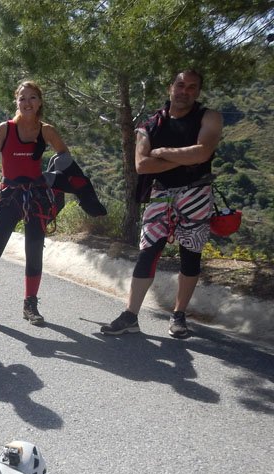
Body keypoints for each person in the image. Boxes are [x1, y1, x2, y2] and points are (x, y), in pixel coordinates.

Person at [101, 69, 223, 338]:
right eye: (180, 85)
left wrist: (163, 152)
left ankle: (179, 315)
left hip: (196, 193)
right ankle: (130, 315)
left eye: (191, 87)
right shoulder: (150, 124)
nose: (184, 91)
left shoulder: (209, 117)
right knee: (148, 252)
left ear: (198, 91)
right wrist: (187, 158)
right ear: (171, 87)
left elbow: (203, 152)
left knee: (190, 255)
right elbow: (142, 165)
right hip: (161, 193)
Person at [0, 80, 69, 326]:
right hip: (9, 196)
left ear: (39, 102)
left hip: (36, 198)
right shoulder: (6, 129)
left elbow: (64, 156)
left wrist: (53, 179)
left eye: (32, 97)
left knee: (34, 250)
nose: (27, 102)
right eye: (22, 98)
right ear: (16, 102)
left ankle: (30, 305)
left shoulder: (47, 131)